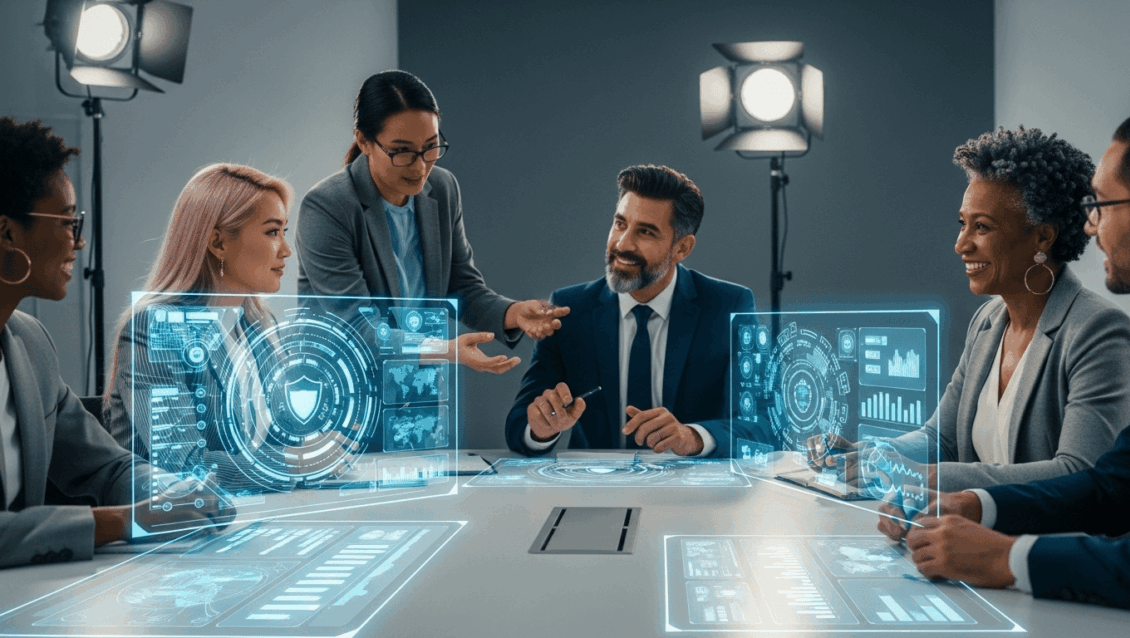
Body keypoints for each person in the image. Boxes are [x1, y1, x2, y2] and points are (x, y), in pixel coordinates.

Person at [877, 101, 1130, 616]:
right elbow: (1113, 486)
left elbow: (1082, 472)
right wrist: (977, 505)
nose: (1091, 227)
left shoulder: (1100, 328)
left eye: (1102, 206)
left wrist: (1008, 557)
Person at [809, 127, 1130, 492]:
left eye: (981, 227)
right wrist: (874, 454)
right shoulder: (987, 322)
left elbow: (1080, 473)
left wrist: (924, 476)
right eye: (962, 224)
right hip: (974, 527)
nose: (961, 244)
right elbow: (942, 438)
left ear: (1043, 236)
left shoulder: (1099, 331)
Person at [0, 117, 229, 568]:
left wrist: (173, 493)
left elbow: (107, 465)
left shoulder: (30, 343)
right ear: (8, 233)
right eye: (68, 222)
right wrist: (124, 521)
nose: (79, 241)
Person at [103, 164, 357, 491]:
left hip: (256, 509)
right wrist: (294, 463)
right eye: (272, 232)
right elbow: (182, 464)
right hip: (178, 518)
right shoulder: (155, 328)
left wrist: (321, 443)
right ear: (218, 243)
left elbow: (281, 437)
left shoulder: (258, 326)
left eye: (284, 231)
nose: (286, 250)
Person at [296, 70, 567, 376]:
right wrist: (444, 350)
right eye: (402, 151)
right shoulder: (327, 206)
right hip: (343, 387)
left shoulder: (442, 188)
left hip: (415, 385)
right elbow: (356, 327)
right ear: (364, 141)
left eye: (430, 146)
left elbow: (461, 287)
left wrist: (514, 313)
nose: (420, 166)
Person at [505, 165, 755, 457]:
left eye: (646, 232)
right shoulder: (571, 310)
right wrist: (540, 428)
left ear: (682, 248)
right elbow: (519, 424)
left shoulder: (728, 306)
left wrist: (692, 438)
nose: (623, 244)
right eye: (620, 224)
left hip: (692, 483)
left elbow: (762, 422)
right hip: (596, 482)